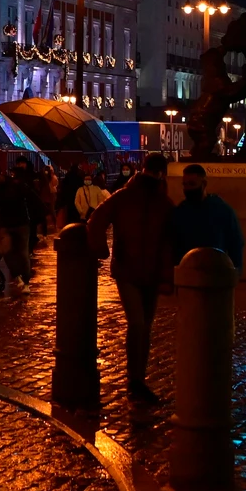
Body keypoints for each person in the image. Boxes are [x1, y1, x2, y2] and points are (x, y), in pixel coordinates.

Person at [86, 152, 176, 404]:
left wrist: (102, 251)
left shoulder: (137, 198)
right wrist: (102, 251)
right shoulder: (160, 202)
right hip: (132, 271)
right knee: (139, 325)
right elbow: (97, 221)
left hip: (139, 270)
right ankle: (135, 380)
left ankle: (137, 379)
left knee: (143, 327)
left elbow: (96, 221)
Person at [169, 164, 245, 271]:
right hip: (188, 273)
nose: (187, 189)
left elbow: (235, 243)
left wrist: (235, 272)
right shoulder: (180, 211)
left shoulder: (221, 210)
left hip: (215, 272)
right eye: (185, 184)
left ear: (204, 184)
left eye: (192, 184)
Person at [0, 162, 33, 295]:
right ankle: (24, 281)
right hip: (19, 224)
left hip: (10, 225)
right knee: (21, 253)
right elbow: (31, 200)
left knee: (12, 253)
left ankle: (20, 278)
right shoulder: (17, 186)